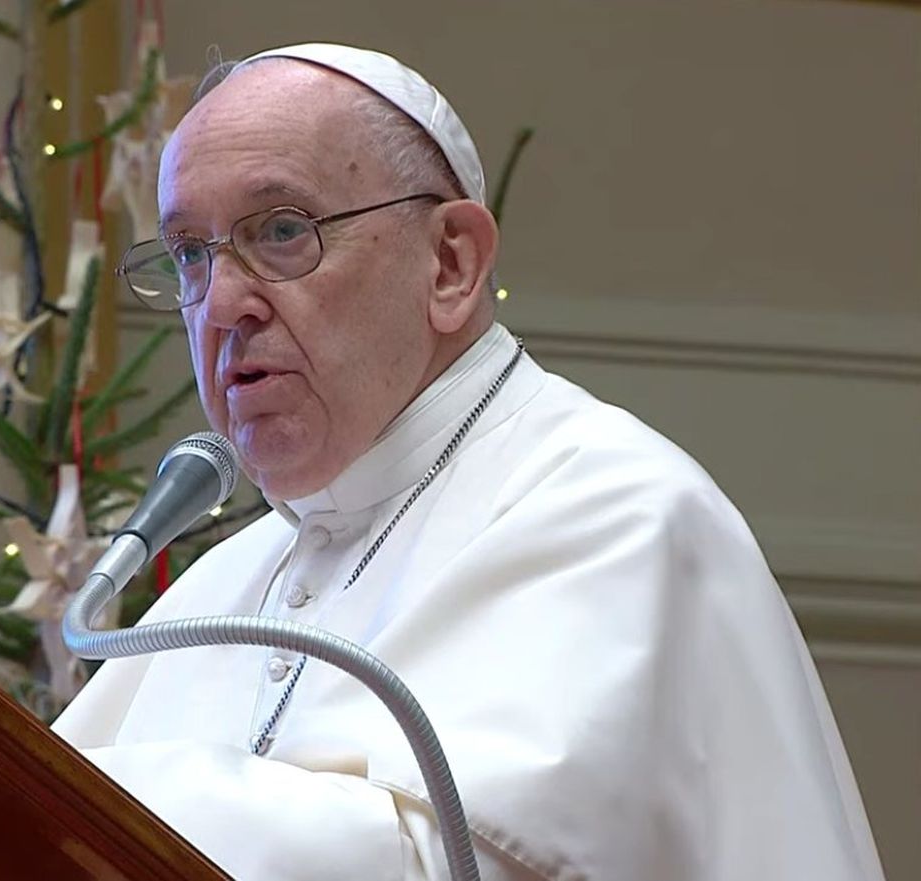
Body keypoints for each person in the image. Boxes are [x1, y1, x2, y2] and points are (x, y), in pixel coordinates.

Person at [50, 43, 885, 880]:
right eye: (191, 254)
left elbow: (444, 861)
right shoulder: (226, 583)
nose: (222, 304)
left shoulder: (615, 511)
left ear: (451, 263)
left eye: (281, 232)